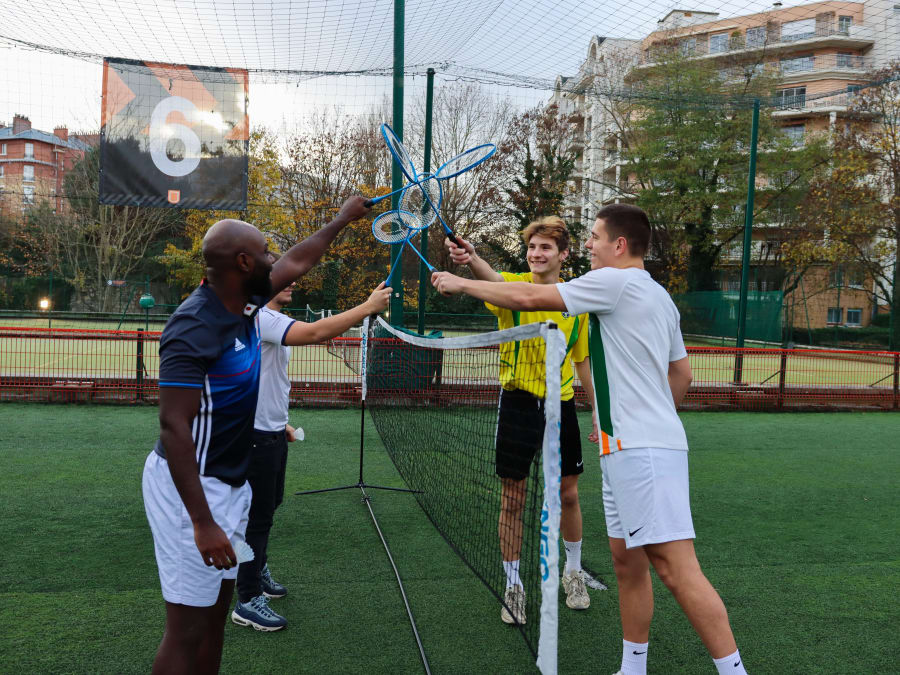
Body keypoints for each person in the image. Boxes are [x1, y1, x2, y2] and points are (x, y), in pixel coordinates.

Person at [432, 204, 748, 675]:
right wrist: (641, 416)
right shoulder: (657, 295)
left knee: (676, 569)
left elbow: (528, 299)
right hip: (625, 447)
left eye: (596, 237)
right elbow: (681, 373)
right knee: (627, 564)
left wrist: (460, 283)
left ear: (620, 245)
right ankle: (632, 667)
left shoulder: (616, 281)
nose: (590, 245)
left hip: (642, 451)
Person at [142, 196, 371, 674]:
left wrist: (343, 220)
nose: (273, 259)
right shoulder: (194, 326)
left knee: (214, 621)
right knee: (185, 631)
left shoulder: (244, 302)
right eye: (264, 252)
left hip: (230, 483)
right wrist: (203, 522)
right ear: (243, 263)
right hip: (191, 493)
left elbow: (298, 261)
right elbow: (174, 426)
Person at [445, 216, 598, 626]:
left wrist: (598, 409)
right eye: (532, 248)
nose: (536, 254)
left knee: (568, 496)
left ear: (563, 255)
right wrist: (473, 257)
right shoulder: (513, 287)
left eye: (545, 248)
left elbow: (581, 359)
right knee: (513, 499)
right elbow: (492, 280)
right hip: (517, 403)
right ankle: (514, 585)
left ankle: (573, 572)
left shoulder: (578, 299)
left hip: (561, 405)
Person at [232, 264, 391, 631]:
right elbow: (317, 331)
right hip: (254, 438)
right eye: (283, 277)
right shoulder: (261, 318)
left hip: (269, 432)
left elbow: (265, 376)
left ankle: (256, 568)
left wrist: (279, 423)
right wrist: (367, 306)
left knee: (268, 510)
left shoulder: (269, 318)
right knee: (254, 519)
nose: (293, 281)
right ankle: (246, 598)